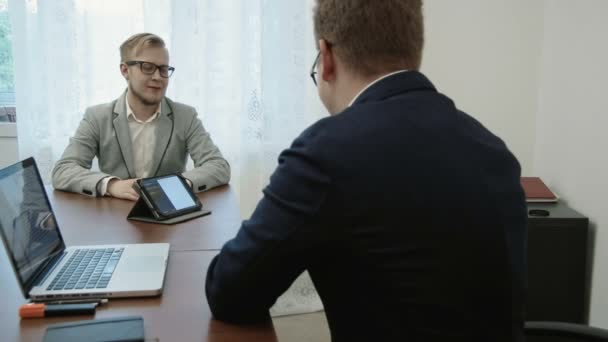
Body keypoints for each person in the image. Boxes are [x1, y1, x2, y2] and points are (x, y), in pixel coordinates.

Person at [205, 1, 527, 341]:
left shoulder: (326, 151)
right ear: (414, 49)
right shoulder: (493, 150)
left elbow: (231, 292)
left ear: (326, 58)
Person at [52, 33, 230, 200]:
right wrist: (112, 185)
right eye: (147, 67)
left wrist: (179, 185)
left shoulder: (186, 116)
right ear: (125, 70)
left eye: (163, 69)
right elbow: (63, 170)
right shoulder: (97, 117)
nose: (158, 77)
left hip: (169, 217)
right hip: (115, 218)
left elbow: (218, 166)